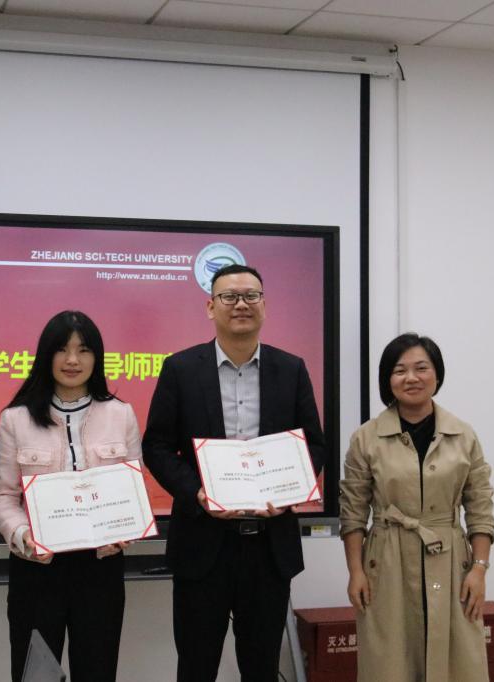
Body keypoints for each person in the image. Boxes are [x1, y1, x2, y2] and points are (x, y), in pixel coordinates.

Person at [143, 264, 325, 682]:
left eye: (251, 295)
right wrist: (197, 493)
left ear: (264, 305)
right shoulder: (180, 369)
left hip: (268, 548)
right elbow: (156, 446)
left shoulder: (291, 368)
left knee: (261, 668)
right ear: (211, 307)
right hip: (202, 545)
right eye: (229, 296)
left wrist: (290, 490)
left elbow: (314, 445)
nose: (241, 304)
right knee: (196, 666)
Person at [0, 310, 142, 682]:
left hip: (100, 569)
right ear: (46, 355)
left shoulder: (121, 414)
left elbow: (133, 491)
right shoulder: (16, 419)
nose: (73, 360)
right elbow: (2, 496)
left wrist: (127, 528)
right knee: (36, 675)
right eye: (62, 349)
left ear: (97, 357)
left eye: (84, 350)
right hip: (37, 570)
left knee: (97, 670)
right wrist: (24, 535)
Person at [340, 333, 494, 682]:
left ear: (437, 375)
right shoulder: (366, 438)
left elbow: (480, 508)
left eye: (421, 368)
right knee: (389, 662)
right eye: (400, 370)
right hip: (386, 559)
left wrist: (479, 569)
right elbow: (352, 512)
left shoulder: (463, 435)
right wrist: (356, 571)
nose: (411, 378)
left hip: (452, 561)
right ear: (387, 380)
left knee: (458, 663)